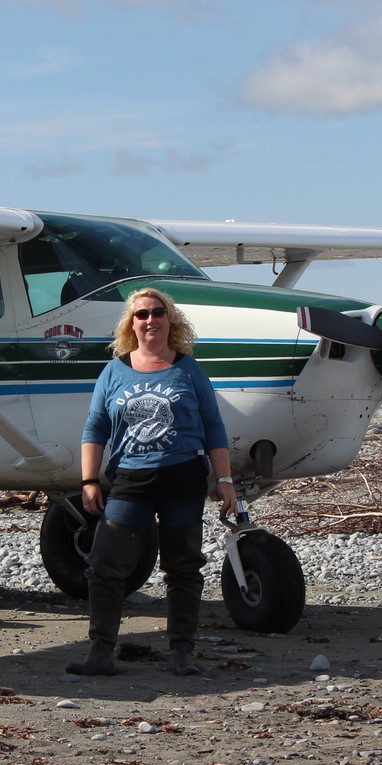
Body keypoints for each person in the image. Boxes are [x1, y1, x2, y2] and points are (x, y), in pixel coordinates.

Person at [69, 287, 236, 677]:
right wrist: (89, 480)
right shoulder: (114, 371)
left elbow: (213, 425)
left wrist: (225, 479)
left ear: (169, 320)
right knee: (105, 564)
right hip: (130, 480)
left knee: (183, 568)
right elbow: (95, 427)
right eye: (141, 314)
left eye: (158, 312)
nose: (150, 320)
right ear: (131, 324)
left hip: (182, 479)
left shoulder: (189, 369)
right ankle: (100, 653)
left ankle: (182, 653)